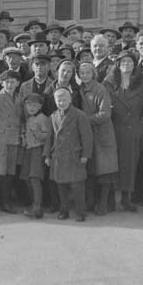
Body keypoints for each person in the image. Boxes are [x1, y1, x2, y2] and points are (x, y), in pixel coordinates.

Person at [107, 52, 143, 212]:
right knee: (113, 164)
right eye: (123, 61)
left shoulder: (142, 82)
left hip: (134, 129)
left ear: (135, 64)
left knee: (130, 165)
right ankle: (111, 199)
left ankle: (126, 198)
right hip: (114, 129)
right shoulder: (108, 82)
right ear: (118, 64)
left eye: (130, 61)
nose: (126, 64)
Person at [44, 86, 93, 222]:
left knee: (77, 186)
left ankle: (80, 212)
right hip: (58, 156)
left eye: (64, 99)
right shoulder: (53, 116)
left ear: (70, 99)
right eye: (58, 100)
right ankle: (63, 210)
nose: (61, 102)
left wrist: (85, 155)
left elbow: (87, 137)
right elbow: (50, 138)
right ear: (55, 101)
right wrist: (47, 155)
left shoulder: (79, 115)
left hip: (74, 155)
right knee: (61, 186)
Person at [77, 61, 117, 216]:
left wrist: (85, 120)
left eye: (88, 72)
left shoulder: (100, 89)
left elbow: (105, 114)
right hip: (87, 133)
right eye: (82, 72)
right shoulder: (79, 89)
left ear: (93, 73)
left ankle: (103, 203)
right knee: (90, 170)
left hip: (102, 133)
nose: (84, 75)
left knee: (104, 171)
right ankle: (91, 201)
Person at [0, 71, 22, 216]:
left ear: (18, 83)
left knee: (10, 174)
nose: (10, 85)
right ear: (2, 83)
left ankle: (5, 203)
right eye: (7, 82)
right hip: (1, 140)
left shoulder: (19, 99)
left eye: (13, 82)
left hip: (14, 139)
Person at [20, 93, 51, 218]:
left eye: (34, 105)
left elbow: (47, 136)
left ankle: (37, 207)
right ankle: (34, 202)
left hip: (38, 150)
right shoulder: (29, 118)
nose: (31, 108)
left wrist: (38, 134)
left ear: (40, 106)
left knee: (35, 178)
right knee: (26, 177)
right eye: (28, 105)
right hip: (28, 149)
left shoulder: (42, 118)